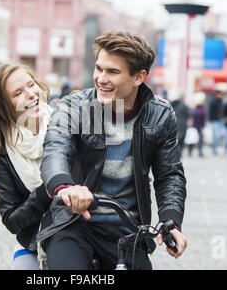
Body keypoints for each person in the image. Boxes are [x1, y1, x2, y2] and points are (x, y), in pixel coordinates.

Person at [37, 30, 187, 270]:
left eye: (113, 72)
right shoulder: (74, 106)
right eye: (99, 69)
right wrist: (66, 187)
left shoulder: (160, 114)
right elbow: (55, 149)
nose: (101, 79)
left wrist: (171, 221)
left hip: (128, 230)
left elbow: (169, 175)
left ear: (139, 77)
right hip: (74, 223)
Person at [0, 63, 53, 270]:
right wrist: (47, 191)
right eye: (18, 93)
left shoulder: (65, 125)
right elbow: (12, 220)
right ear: (3, 107)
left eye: (31, 84)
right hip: (33, 244)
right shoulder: (1, 154)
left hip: (82, 236)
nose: (31, 94)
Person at [208, 90, 225, 155]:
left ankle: (214, 146)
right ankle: (214, 148)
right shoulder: (213, 102)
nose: (221, 96)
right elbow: (210, 111)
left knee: (222, 135)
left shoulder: (221, 101)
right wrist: (210, 120)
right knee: (216, 136)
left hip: (221, 120)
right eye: (220, 94)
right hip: (214, 121)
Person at [192, 92, 206, 158]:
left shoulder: (195, 109)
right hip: (198, 126)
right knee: (197, 139)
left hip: (196, 125)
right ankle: (199, 151)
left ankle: (198, 151)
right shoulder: (201, 109)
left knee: (195, 139)